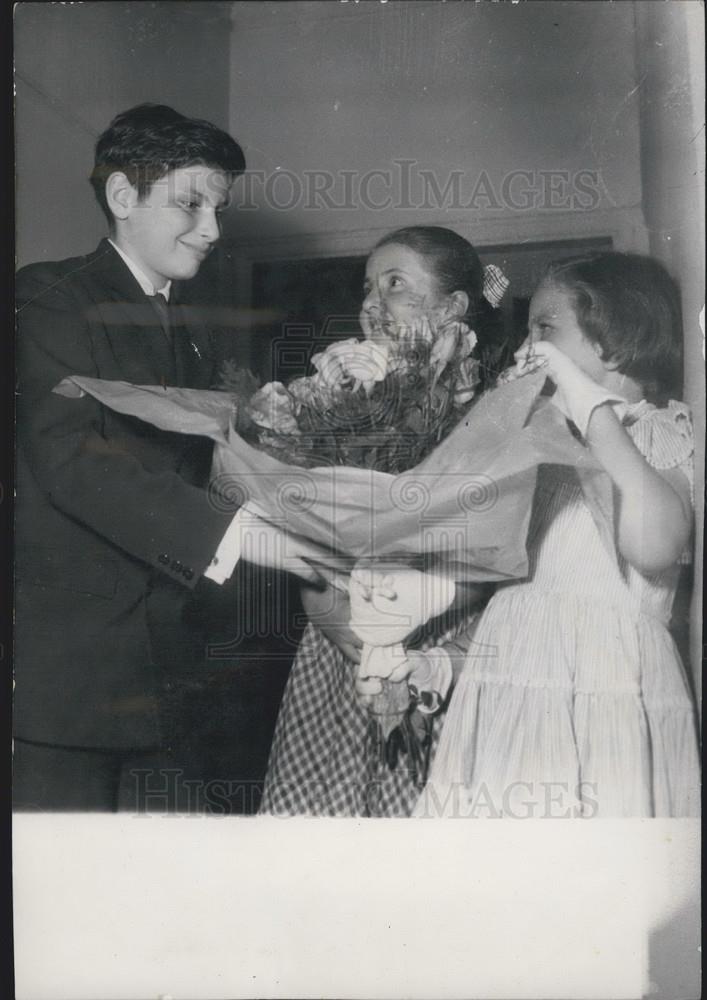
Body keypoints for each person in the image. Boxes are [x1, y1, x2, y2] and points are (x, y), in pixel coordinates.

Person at [14, 103, 321, 811]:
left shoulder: (183, 332)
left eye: (218, 208)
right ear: (123, 197)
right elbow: (75, 461)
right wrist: (245, 536)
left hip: (168, 680)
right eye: (190, 204)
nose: (212, 230)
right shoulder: (50, 300)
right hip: (69, 691)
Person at [414, 251, 701, 818]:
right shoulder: (542, 445)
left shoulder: (661, 433)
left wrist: (588, 407)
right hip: (512, 692)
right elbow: (524, 600)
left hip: (606, 684)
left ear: (616, 341)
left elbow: (653, 546)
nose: (526, 348)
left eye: (545, 328)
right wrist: (441, 664)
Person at [260, 226, 507, 816]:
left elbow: (497, 559)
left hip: (444, 657)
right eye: (368, 287)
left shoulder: (497, 417)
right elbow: (310, 559)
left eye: (395, 284)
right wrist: (360, 645)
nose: (372, 303)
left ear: (452, 307)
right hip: (340, 656)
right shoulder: (329, 401)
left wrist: (408, 664)